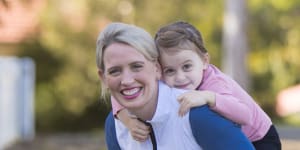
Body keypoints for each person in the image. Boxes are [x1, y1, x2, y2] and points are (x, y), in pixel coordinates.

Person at [113, 21, 281, 150]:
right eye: (170, 70)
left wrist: (209, 97)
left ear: (204, 61)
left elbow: (246, 116)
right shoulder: (163, 77)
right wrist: (127, 119)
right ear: (159, 69)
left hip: (260, 139)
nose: (180, 77)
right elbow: (125, 89)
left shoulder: (215, 83)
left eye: (187, 66)